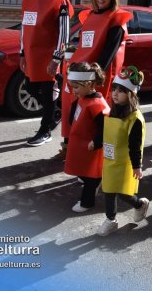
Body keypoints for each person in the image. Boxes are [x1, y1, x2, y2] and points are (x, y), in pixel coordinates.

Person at [20, 0, 74, 146]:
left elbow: (64, 32)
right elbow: (24, 28)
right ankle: (55, 112)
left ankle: (45, 130)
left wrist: (57, 58)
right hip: (31, 56)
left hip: (50, 56)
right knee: (30, 87)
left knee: (46, 93)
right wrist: (22, 53)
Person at [97, 67, 150, 236]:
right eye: (114, 89)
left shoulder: (135, 118)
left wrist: (137, 166)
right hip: (111, 160)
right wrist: (96, 143)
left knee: (124, 193)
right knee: (109, 190)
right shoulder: (114, 111)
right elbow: (106, 132)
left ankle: (139, 204)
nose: (115, 93)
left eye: (121, 91)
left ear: (131, 94)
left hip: (125, 162)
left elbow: (135, 145)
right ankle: (111, 220)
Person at [70, 0, 132, 100]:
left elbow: (107, 56)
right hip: (83, 77)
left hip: (97, 79)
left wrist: (91, 79)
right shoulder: (90, 15)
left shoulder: (116, 20)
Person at [63, 62, 110, 212]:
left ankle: (87, 202)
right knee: (81, 168)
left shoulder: (97, 104)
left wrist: (97, 142)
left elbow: (105, 126)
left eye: (76, 87)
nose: (73, 91)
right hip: (80, 143)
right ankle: (94, 180)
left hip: (90, 146)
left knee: (90, 175)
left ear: (89, 84)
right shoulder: (84, 97)